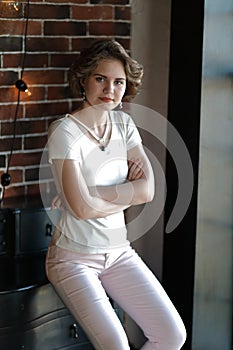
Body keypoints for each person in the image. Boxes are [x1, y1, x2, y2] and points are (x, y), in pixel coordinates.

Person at [45, 39, 186, 350]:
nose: (110, 88)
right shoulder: (64, 132)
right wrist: (117, 193)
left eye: (119, 82)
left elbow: (148, 190)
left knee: (172, 335)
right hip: (74, 259)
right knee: (116, 345)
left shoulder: (124, 124)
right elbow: (81, 209)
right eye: (100, 79)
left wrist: (89, 191)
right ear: (83, 80)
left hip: (120, 253)